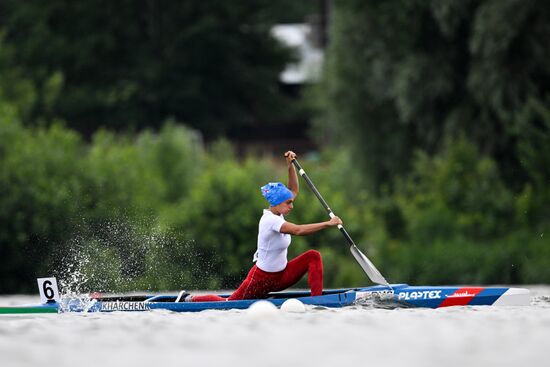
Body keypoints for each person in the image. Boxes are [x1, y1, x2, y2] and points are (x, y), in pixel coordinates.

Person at [182, 151, 342, 302]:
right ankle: (189, 299)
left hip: (282, 275)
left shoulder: (280, 211)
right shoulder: (270, 221)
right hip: (261, 279)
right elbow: (298, 230)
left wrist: (289, 165)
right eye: (289, 203)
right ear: (277, 203)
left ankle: (317, 301)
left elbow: (293, 189)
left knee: (313, 256)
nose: (292, 206)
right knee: (228, 302)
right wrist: (328, 224)